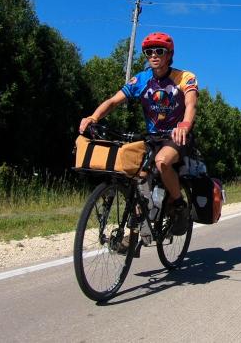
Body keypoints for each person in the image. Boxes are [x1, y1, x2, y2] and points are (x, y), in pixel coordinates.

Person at [79, 32, 198, 236]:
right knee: (136, 177)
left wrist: (185, 125)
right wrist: (93, 117)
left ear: (169, 54)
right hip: (151, 137)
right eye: (148, 51)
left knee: (162, 162)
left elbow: (191, 103)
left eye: (159, 51)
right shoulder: (141, 80)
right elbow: (114, 101)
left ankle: (179, 205)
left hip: (177, 136)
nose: (153, 55)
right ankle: (134, 236)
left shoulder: (184, 77)